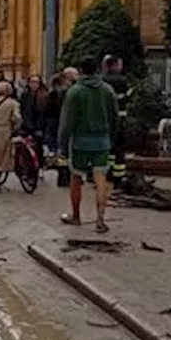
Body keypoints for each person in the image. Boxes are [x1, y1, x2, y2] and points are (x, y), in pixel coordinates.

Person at [58, 56, 120, 232]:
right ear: (98, 69)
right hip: (102, 141)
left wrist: (62, 144)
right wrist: (112, 138)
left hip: (79, 142)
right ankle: (100, 219)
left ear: (81, 70)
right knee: (101, 180)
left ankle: (76, 216)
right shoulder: (107, 90)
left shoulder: (75, 92)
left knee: (76, 178)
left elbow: (67, 121)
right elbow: (114, 117)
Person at [102, 55, 131, 187]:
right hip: (120, 120)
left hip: (105, 121)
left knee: (108, 149)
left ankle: (107, 173)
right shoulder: (122, 81)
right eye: (119, 64)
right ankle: (119, 177)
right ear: (113, 65)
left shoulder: (102, 81)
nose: (121, 67)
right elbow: (128, 97)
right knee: (119, 149)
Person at [18, 75, 47, 166]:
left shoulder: (44, 96)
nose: (34, 84)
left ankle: (39, 165)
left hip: (39, 125)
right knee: (25, 148)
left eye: (36, 82)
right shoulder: (25, 95)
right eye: (32, 82)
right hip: (26, 125)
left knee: (38, 147)